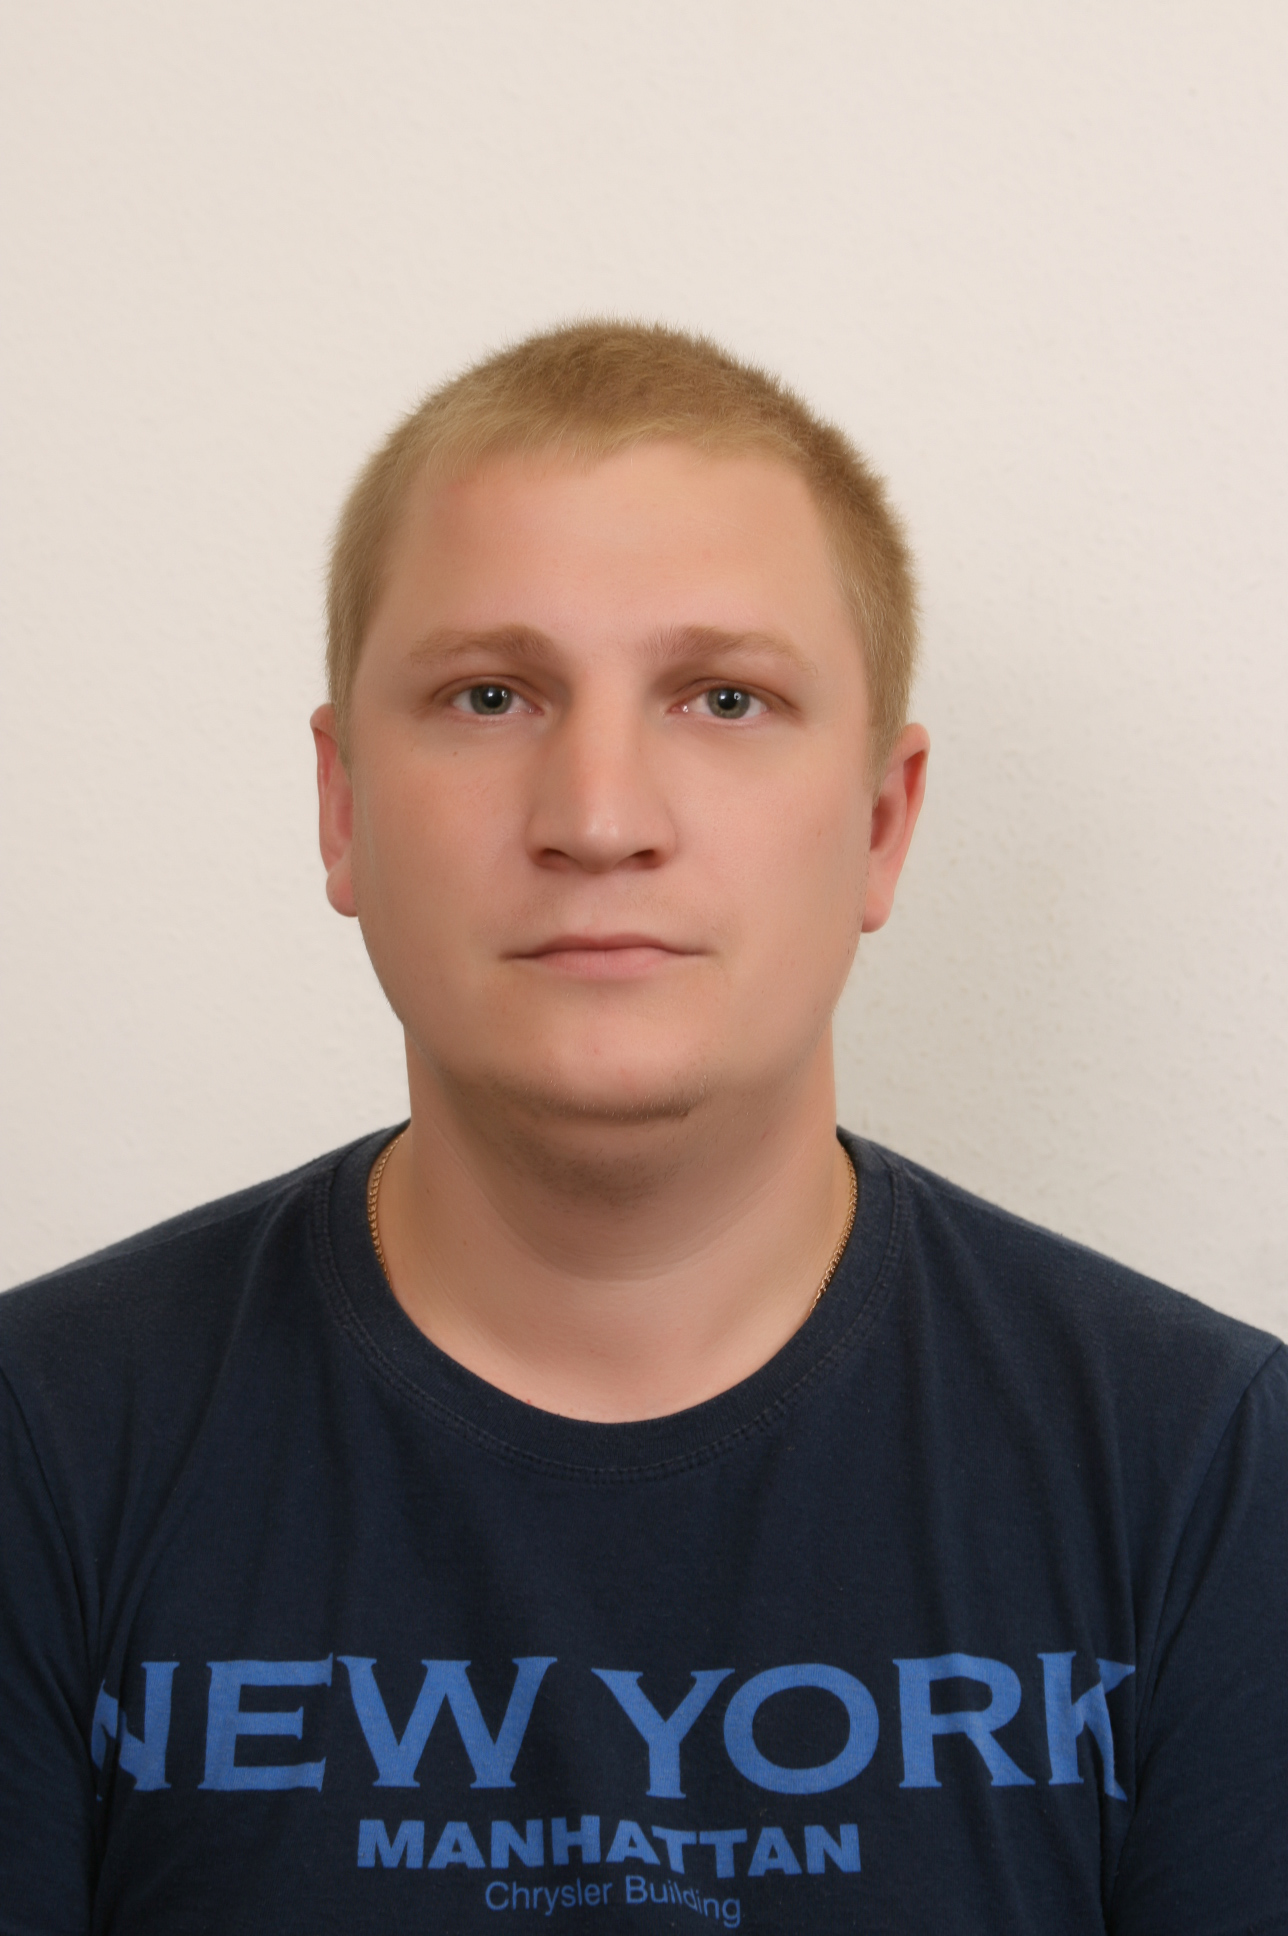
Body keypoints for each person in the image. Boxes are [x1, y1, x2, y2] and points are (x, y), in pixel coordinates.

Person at [1, 323, 1284, 1936]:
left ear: (881, 825)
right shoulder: (39, 1450)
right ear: (343, 808)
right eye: (488, 695)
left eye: (725, 698)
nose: (600, 818)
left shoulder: (1214, 1475)